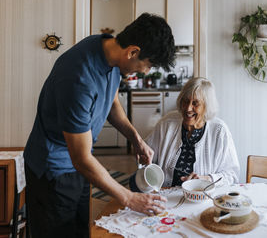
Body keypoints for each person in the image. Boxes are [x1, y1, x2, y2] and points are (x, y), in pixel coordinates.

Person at [23, 13, 175, 238]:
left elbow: (112, 104)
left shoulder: (106, 49)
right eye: (148, 65)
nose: (144, 72)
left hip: (78, 168)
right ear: (133, 51)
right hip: (53, 172)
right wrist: (129, 198)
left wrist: (136, 139)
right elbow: (82, 159)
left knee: (81, 231)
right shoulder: (78, 78)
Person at [129, 77, 239, 191]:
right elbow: (147, 154)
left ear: (207, 106)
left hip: (201, 197)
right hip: (167, 195)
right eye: (185, 101)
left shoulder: (219, 131)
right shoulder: (167, 123)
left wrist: (207, 179)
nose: (188, 108)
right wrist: (142, 156)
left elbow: (232, 175)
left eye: (195, 103)